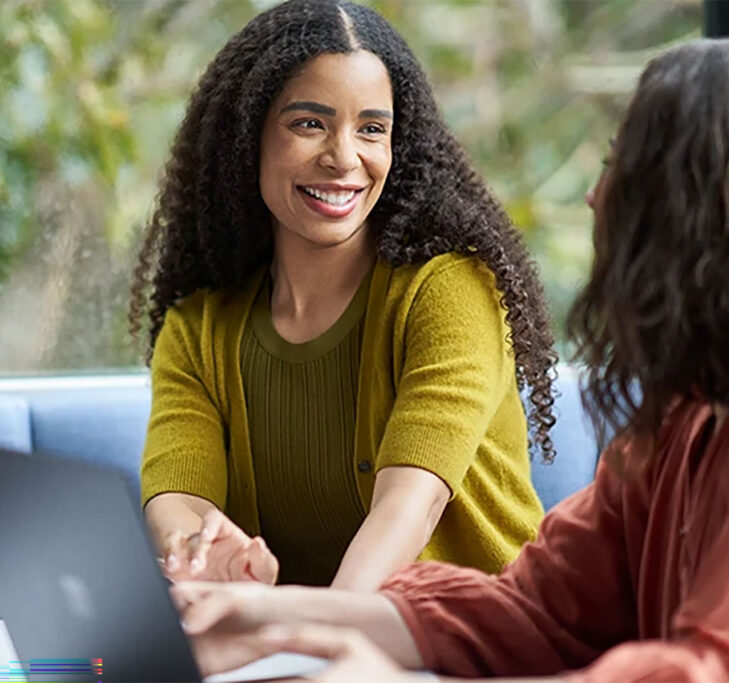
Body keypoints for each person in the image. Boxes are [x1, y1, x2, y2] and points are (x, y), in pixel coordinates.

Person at [173, 39, 729, 682]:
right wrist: (265, 617)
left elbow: (700, 671)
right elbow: (533, 610)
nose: (595, 197)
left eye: (622, 172)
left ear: (696, 214)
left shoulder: (447, 290)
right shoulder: (675, 428)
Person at [129, 0, 557, 590]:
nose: (344, 157)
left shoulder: (450, 290)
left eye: (372, 129)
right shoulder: (198, 327)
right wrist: (202, 549)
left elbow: (411, 504)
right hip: (300, 648)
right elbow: (176, 494)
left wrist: (317, 633)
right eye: (309, 123)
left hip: (482, 641)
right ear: (246, 138)